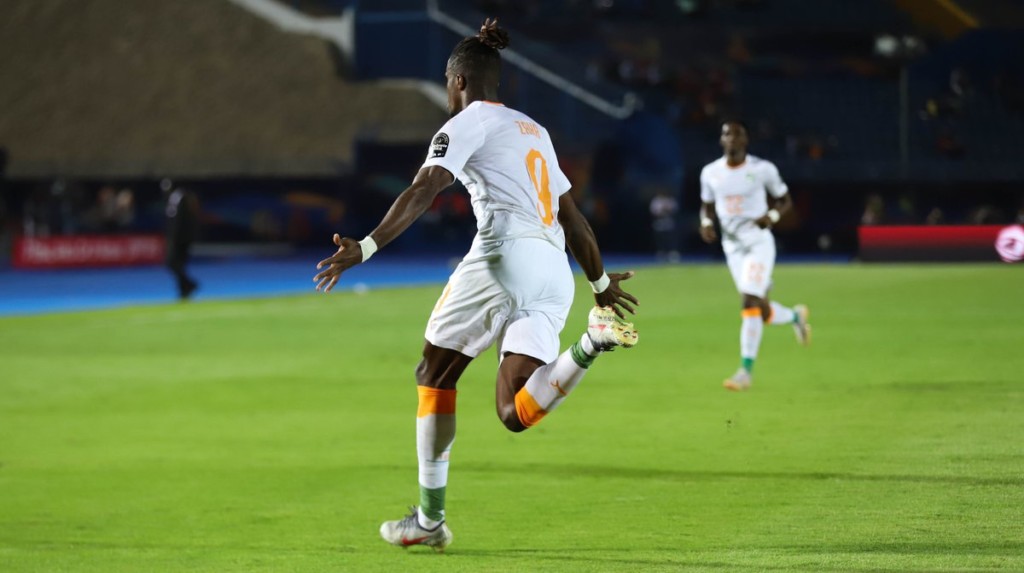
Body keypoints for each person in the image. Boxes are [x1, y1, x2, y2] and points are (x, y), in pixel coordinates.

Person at [313, 19, 639, 552]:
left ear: (458, 81)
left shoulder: (465, 122)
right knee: (515, 410)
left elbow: (424, 188)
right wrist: (600, 283)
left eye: (448, 84)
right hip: (553, 270)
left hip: (502, 257)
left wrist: (367, 246)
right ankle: (590, 342)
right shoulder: (535, 130)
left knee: (434, 373)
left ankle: (429, 520)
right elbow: (573, 219)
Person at [698, 120, 810, 391]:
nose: (732, 139)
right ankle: (796, 317)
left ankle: (745, 372)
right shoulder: (710, 172)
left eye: (737, 135)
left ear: (745, 140)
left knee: (749, 301)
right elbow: (707, 206)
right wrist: (706, 223)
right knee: (761, 310)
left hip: (759, 243)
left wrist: (771, 216)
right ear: (721, 140)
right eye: (727, 134)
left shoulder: (762, 169)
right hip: (732, 248)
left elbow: (785, 200)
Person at [163, 179, 200, 300]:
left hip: (180, 238)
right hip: (181, 237)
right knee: (177, 263)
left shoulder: (179, 198)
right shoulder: (176, 198)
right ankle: (184, 288)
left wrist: (173, 238)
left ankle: (188, 284)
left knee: (172, 262)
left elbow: (179, 221)